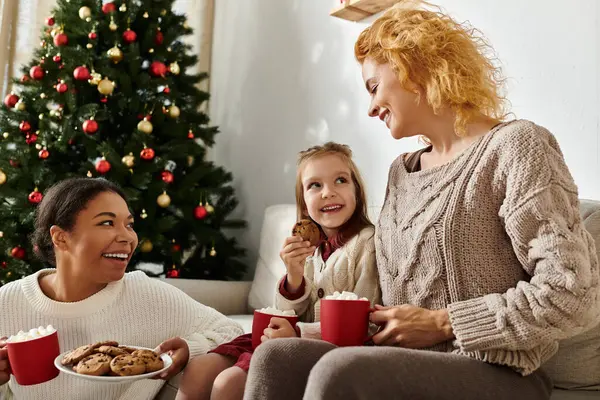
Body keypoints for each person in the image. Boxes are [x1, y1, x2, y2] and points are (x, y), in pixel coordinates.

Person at [243, 2, 600, 400]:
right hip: (398, 360)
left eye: (374, 86)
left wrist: (445, 323)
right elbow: (389, 306)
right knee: (276, 357)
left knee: (341, 369)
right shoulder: (401, 172)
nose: (371, 107)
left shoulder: (516, 147)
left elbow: (574, 295)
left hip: (499, 371)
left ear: (413, 66)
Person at [0, 178, 244, 400]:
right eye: (107, 223)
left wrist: (191, 349)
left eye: (129, 225)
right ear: (61, 237)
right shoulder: (7, 303)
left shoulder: (146, 294)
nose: (127, 237)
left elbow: (231, 332)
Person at [176, 142, 380, 400]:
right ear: (305, 205)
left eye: (340, 180)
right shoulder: (308, 248)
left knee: (229, 383)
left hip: (328, 347)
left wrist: (297, 333)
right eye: (315, 185)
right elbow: (286, 313)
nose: (328, 192)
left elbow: (364, 326)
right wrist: (293, 276)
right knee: (199, 368)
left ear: (357, 193)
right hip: (291, 338)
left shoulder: (367, 243)